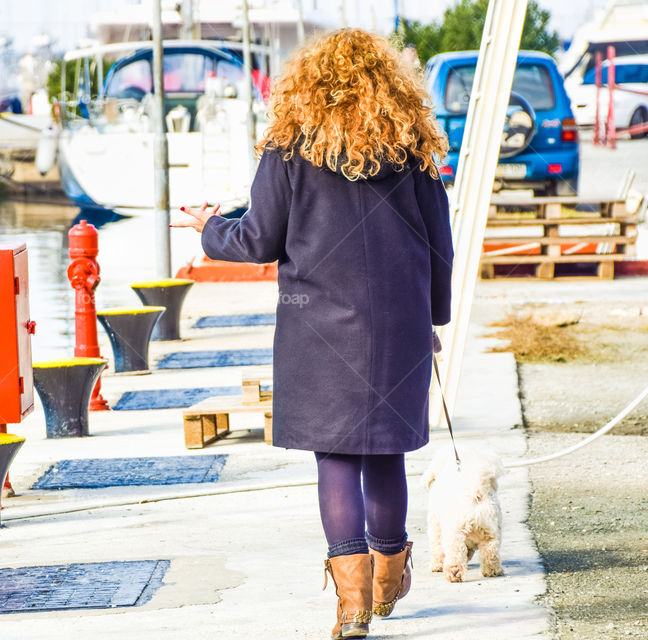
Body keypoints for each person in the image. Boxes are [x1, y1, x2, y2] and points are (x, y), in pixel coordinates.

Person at [172, 28, 453, 640]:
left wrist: (211, 227)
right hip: (398, 324)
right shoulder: (413, 149)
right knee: (386, 452)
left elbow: (258, 240)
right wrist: (433, 319)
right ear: (391, 85)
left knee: (336, 455)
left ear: (309, 84)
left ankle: (351, 608)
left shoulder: (290, 148)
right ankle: (387, 582)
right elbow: (440, 246)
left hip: (319, 326)